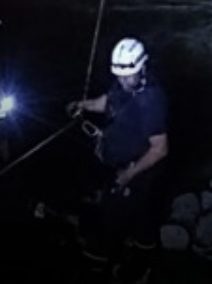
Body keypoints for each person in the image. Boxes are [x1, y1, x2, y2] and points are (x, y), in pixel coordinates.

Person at [66, 38, 169, 282]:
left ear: (142, 67)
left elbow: (160, 148)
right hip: (116, 164)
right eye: (119, 76)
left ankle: (97, 265)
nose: (122, 81)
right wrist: (83, 105)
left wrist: (127, 176)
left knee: (111, 220)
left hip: (135, 171)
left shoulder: (150, 101)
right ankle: (145, 260)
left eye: (128, 76)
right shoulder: (125, 83)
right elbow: (109, 101)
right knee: (139, 217)